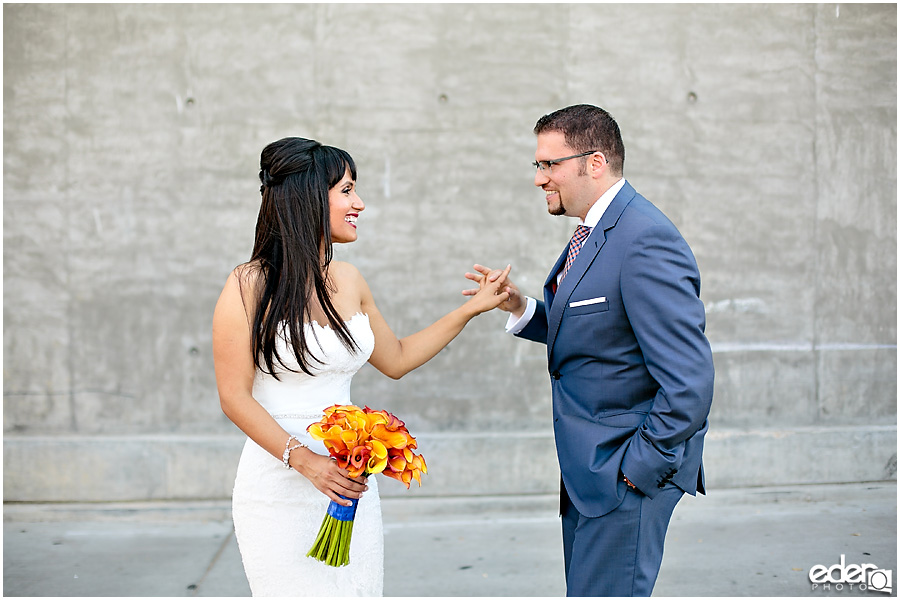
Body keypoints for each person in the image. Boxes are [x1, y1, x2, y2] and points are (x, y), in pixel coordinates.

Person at [212, 137, 510, 596]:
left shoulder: (349, 280)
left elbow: (397, 359)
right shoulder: (248, 284)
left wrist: (470, 310)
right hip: (279, 484)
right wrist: (306, 461)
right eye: (347, 190)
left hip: (350, 484)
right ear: (311, 197)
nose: (360, 203)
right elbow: (234, 397)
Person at [465, 105, 715, 597]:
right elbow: (600, 336)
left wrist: (637, 469)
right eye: (538, 165)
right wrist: (522, 308)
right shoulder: (595, 233)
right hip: (590, 473)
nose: (539, 179)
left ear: (594, 162)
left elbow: (690, 381)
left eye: (548, 164)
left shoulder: (644, 240)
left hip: (624, 475)